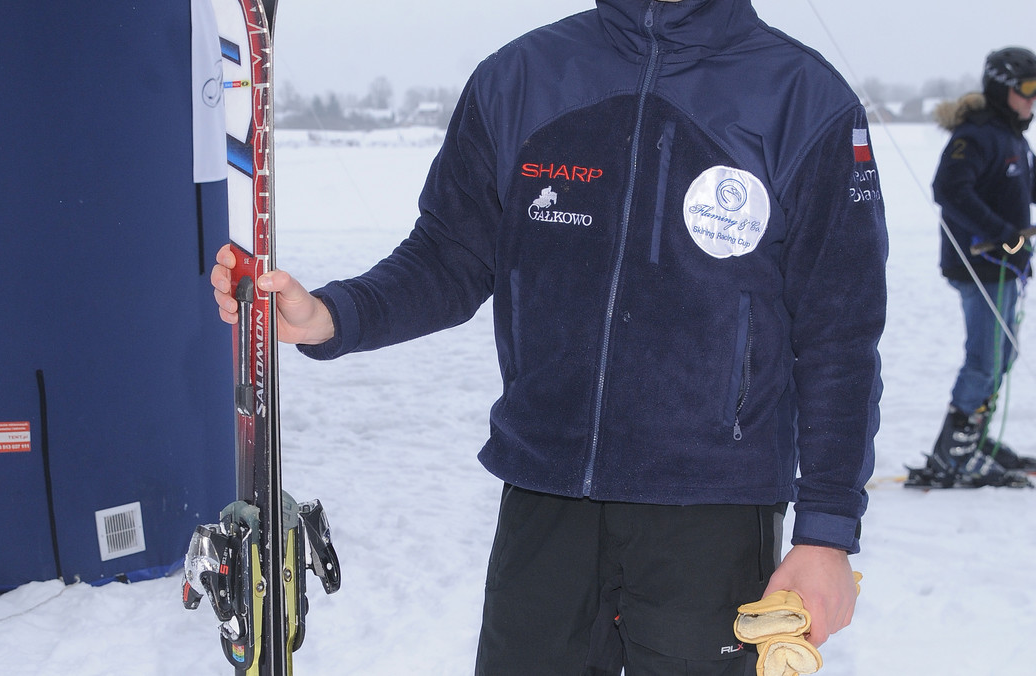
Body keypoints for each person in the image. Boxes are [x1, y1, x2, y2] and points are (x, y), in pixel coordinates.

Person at [212, 0, 885, 672]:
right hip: (545, 496)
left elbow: (840, 336)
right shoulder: (521, 78)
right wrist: (330, 314)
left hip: (711, 513)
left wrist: (826, 534)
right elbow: (449, 256)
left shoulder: (804, 98)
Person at [927, 46, 1036, 488]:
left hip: (1007, 267)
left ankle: (974, 441)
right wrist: (1001, 232)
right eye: (1027, 89)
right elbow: (949, 189)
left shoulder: (1012, 136)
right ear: (1001, 87)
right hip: (982, 264)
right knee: (985, 360)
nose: (1033, 100)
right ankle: (951, 457)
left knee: (1001, 354)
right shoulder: (976, 136)